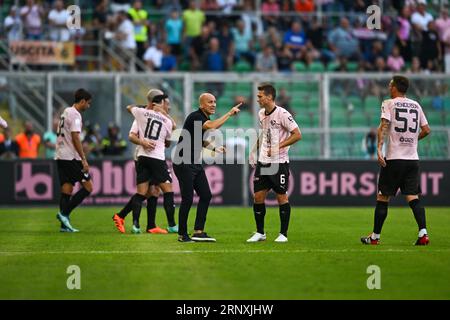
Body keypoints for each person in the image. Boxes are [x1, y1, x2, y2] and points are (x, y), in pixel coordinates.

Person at [361, 76, 431, 246]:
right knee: (413, 197)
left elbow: (384, 125)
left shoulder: (388, 103)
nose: (388, 87)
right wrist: (413, 141)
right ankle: (423, 233)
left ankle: (375, 237)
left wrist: (379, 148)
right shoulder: (416, 104)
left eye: (390, 84)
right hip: (412, 159)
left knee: (382, 197)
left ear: (395, 88)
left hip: (394, 158)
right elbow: (426, 130)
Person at [172, 94, 241, 242]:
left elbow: (199, 140)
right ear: (202, 105)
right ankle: (182, 235)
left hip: (193, 162)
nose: (214, 104)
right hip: (183, 161)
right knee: (188, 199)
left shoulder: (203, 118)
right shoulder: (196, 116)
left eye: (215, 102)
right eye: (210, 102)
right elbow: (212, 127)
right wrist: (229, 113)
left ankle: (198, 231)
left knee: (206, 195)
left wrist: (214, 148)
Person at [116, 90, 176, 234]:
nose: (168, 106)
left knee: (153, 191)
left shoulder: (146, 114)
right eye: (166, 103)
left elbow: (166, 141)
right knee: (149, 191)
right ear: (156, 102)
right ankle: (122, 216)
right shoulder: (141, 115)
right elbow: (131, 136)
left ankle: (150, 225)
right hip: (144, 155)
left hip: (148, 155)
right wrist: (143, 142)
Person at [247, 83, 301, 243]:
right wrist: (253, 151)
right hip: (263, 161)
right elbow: (264, 133)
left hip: (279, 162)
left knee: (281, 197)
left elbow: (297, 135)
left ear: (269, 97)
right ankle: (260, 232)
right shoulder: (261, 114)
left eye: (260, 96)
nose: (257, 99)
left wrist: (278, 147)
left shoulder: (283, 114)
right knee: (258, 197)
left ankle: (283, 234)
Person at [55, 89, 94, 233]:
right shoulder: (76, 115)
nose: (88, 106)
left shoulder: (66, 111)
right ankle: (64, 214)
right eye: (88, 103)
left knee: (67, 189)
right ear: (82, 101)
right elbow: (76, 137)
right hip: (70, 157)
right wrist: (83, 159)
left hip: (60, 155)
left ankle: (64, 226)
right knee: (89, 187)